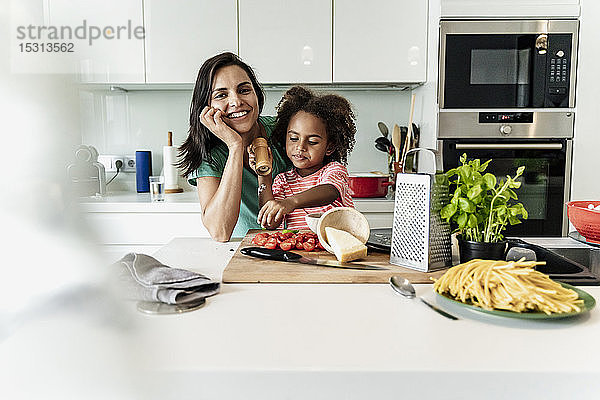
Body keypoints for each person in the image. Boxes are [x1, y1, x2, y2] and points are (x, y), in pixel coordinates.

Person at [178, 52, 291, 242]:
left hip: (300, 246)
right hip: (245, 254)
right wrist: (235, 145)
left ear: (257, 94)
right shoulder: (209, 154)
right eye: (221, 95)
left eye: (244, 90)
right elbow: (219, 231)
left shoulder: (286, 132)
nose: (236, 101)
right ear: (206, 106)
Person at [249, 86, 356, 230]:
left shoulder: (333, 170)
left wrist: (291, 202)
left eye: (312, 142)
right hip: (300, 250)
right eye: (294, 138)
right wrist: (264, 176)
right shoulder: (283, 181)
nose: (300, 147)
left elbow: (331, 191)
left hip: (335, 248)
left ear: (329, 147)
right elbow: (270, 222)